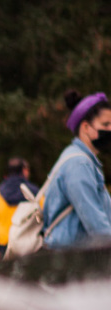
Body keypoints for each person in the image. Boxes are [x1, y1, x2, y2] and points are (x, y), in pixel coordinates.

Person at [41, 90, 111, 248]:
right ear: (86, 127)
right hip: (71, 256)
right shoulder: (79, 163)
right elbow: (96, 223)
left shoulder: (81, 159)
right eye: (105, 124)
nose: (110, 129)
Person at [0, 158, 39, 258]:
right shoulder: (35, 193)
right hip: (30, 244)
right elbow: (47, 215)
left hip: (4, 245)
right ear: (24, 170)